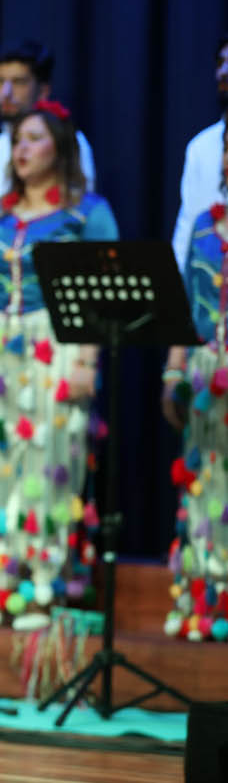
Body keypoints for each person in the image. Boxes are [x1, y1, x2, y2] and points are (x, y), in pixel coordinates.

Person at [0, 100, 116, 630]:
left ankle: (44, 586)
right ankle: (0, 583)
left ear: (60, 149)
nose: (22, 149)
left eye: (35, 139)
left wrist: (86, 360)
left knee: (48, 463)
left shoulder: (86, 214)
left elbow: (103, 292)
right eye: (17, 140)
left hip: (57, 344)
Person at [0, 40, 97, 331]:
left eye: (18, 82)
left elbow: (82, 230)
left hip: (48, 309)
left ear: (42, 90)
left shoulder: (72, 146)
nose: (6, 93)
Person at [161, 124, 228, 643]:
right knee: (206, 488)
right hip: (208, 374)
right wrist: (174, 370)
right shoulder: (205, 225)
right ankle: (205, 598)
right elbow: (184, 299)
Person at [170, 34, 228, 273]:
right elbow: (188, 227)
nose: (224, 71)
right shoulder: (201, 146)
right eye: (220, 63)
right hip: (209, 284)